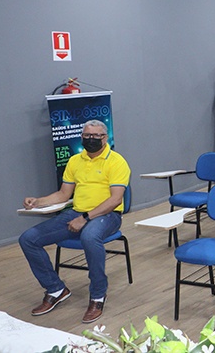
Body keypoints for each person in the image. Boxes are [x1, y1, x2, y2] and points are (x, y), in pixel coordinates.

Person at [19, 120, 131, 323]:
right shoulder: (74, 161)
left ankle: (97, 295)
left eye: (96, 136)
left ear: (105, 138)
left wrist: (85, 218)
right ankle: (56, 289)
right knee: (28, 239)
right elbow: (63, 194)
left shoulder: (117, 161)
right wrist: (37, 201)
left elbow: (115, 200)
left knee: (89, 236)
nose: (91, 139)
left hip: (108, 215)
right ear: (81, 137)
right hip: (77, 213)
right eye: (87, 136)